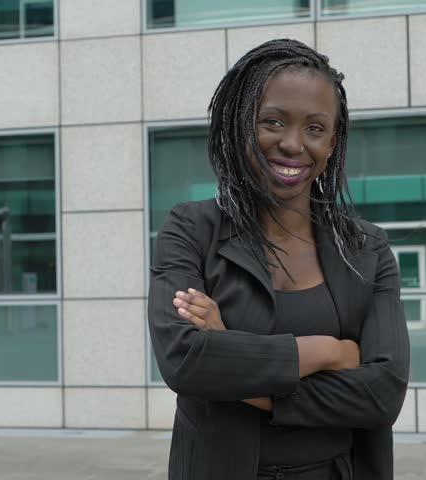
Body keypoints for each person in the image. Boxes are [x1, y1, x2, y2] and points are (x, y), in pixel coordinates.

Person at [147, 39, 410, 480]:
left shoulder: (368, 249)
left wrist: (237, 364)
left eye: (315, 128)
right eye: (273, 121)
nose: (292, 144)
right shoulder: (191, 230)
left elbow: (382, 395)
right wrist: (328, 351)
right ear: (239, 125)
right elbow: (186, 360)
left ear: (332, 142)